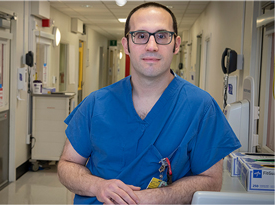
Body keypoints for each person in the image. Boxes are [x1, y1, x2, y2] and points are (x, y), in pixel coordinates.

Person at [58, 2, 241, 204]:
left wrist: (155, 197)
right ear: (126, 45)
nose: (151, 46)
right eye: (141, 36)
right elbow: (67, 165)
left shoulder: (201, 107)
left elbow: (212, 182)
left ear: (176, 44)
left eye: (162, 36)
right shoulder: (96, 104)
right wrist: (98, 186)